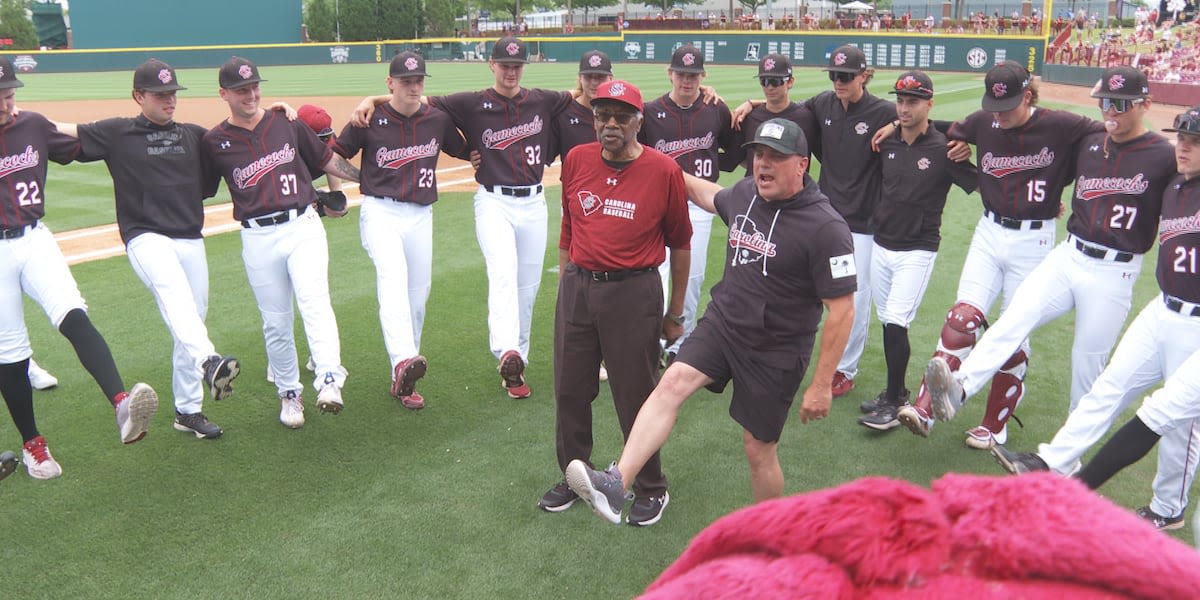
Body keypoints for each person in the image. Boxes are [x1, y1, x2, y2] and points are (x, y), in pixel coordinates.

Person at [565, 119, 856, 524]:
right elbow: (706, 193)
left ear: (802, 164)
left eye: (776, 157)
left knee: (758, 449)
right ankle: (617, 484)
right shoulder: (747, 195)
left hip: (776, 348)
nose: (763, 165)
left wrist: (822, 384)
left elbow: (842, 311)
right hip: (724, 325)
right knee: (672, 383)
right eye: (758, 155)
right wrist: (653, 160)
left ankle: (770, 529)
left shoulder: (827, 228)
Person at [918, 67, 1175, 445]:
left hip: (1114, 273)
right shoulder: (1091, 141)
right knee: (1013, 320)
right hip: (1068, 255)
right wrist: (900, 127)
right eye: (1105, 102)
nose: (1110, 112)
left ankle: (1067, 458)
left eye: (1120, 104)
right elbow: (948, 128)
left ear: (1146, 104)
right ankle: (959, 389)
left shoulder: (1161, 155)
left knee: (1087, 367)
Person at [991, 105, 1200, 531]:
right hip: (1161, 309)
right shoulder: (1176, 185)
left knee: (1177, 422)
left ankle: (1167, 506)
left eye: (1195, 142)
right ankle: (1053, 461)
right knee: (1108, 387)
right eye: (1181, 138)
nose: (1183, 147)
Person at [884, 61, 1104, 449]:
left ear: (1029, 96)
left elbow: (1110, 137)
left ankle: (993, 425)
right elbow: (937, 125)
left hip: (1033, 238)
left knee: (1014, 332)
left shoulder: (1062, 124)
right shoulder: (984, 121)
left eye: (1009, 106)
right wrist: (896, 126)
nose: (999, 115)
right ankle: (924, 409)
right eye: (994, 106)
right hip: (989, 230)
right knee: (961, 317)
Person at [53, 59, 242, 440]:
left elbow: (245, 145)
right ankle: (209, 362)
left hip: (190, 237)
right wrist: (13, 115)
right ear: (138, 96)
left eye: (172, 93)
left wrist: (281, 112)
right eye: (159, 95)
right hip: (146, 237)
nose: (169, 100)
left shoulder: (194, 135)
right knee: (175, 297)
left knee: (188, 320)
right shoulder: (117, 133)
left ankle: (188, 411)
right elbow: (61, 132)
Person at [539, 80, 692, 523]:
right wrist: (567, 279)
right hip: (579, 287)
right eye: (602, 115)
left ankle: (650, 486)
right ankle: (573, 476)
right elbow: (569, 225)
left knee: (635, 394)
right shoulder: (577, 159)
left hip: (633, 290)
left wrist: (675, 312)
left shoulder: (663, 170)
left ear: (638, 122)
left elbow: (681, 243)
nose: (609, 124)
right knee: (569, 389)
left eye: (621, 116)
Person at [0, 56, 158, 479]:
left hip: (34, 238)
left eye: (10, 94)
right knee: (11, 351)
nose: (6, 103)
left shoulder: (31, 125)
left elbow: (87, 144)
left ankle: (122, 405)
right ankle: (33, 446)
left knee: (72, 312)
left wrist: (138, 129)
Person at [200, 56, 360, 429]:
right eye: (241, 89)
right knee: (276, 323)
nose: (251, 94)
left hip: (302, 225)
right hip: (257, 236)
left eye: (255, 86)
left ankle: (330, 381)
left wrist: (367, 181)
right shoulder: (215, 141)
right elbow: (201, 189)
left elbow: (327, 160)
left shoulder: (286, 122)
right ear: (223, 93)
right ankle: (290, 393)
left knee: (314, 302)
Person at [417, 37, 574, 399]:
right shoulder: (471, 103)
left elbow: (581, 92)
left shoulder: (542, 99)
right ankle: (506, 350)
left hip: (534, 203)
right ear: (491, 64)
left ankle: (517, 362)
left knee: (528, 286)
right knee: (502, 272)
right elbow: (418, 104)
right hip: (494, 202)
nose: (511, 70)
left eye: (517, 65)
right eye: (505, 64)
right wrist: (460, 151)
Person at [735, 45, 895, 398]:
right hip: (824, 214)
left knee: (852, 296)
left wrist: (897, 123)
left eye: (846, 76)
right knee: (800, 288)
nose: (839, 82)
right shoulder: (823, 104)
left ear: (864, 76)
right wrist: (753, 103)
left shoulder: (883, 110)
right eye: (834, 75)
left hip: (863, 220)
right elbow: (786, 106)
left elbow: (924, 119)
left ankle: (845, 368)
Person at [330, 51, 469, 410]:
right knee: (392, 279)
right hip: (380, 212)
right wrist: (355, 180)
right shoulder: (369, 120)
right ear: (390, 83)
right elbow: (331, 155)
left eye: (418, 80)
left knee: (417, 295)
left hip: (421, 215)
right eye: (406, 80)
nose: (413, 85)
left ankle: (406, 374)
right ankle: (403, 358)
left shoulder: (436, 120)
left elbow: (467, 151)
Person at [855, 71, 978, 431]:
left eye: (913, 101)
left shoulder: (945, 150)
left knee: (897, 321)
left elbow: (984, 182)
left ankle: (895, 402)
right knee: (887, 321)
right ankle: (895, 392)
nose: (905, 108)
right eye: (901, 101)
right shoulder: (887, 144)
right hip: (882, 243)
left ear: (929, 104)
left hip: (918, 249)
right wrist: (894, 124)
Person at [639, 44, 736, 365]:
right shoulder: (651, 113)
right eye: (681, 73)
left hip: (699, 210)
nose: (687, 80)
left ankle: (680, 346)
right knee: (655, 275)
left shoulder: (716, 109)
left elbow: (734, 151)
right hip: (659, 207)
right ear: (670, 73)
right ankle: (651, 341)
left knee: (692, 280)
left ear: (703, 77)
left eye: (693, 75)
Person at [725, 53, 817, 178]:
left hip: (794, 195)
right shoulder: (749, 117)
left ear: (790, 82)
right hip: (755, 193)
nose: (769, 87)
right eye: (764, 81)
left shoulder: (807, 118)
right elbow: (731, 161)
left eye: (775, 81)